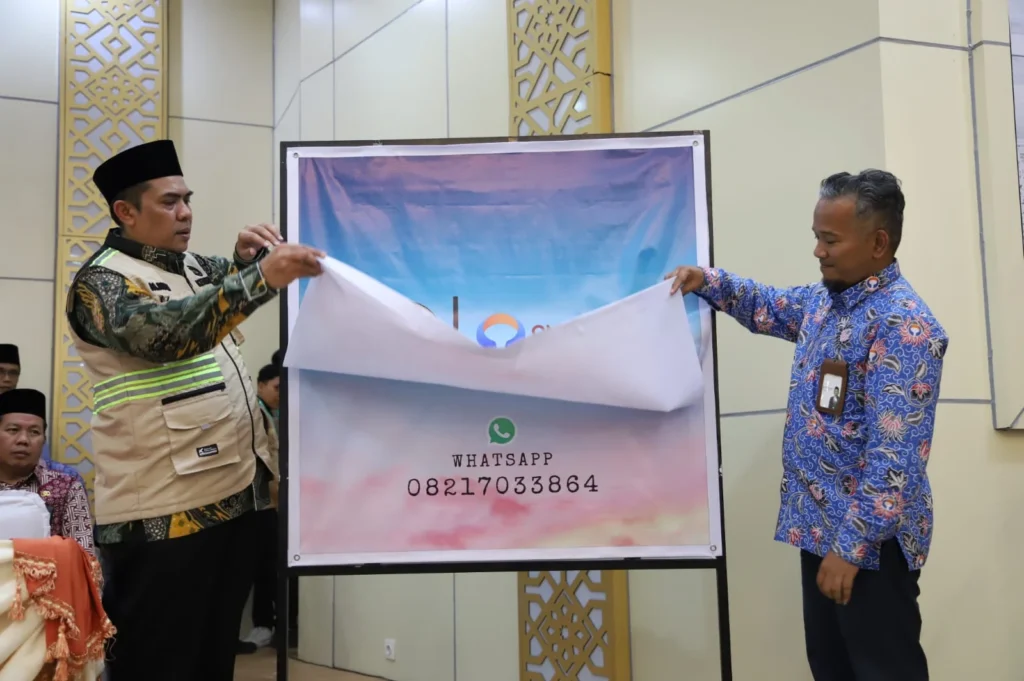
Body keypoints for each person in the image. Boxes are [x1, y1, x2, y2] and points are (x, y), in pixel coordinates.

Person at [668, 169, 946, 681]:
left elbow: (895, 460)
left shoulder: (904, 328)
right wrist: (707, 281)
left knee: (884, 670)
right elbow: (767, 306)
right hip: (820, 533)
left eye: (830, 240)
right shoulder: (825, 302)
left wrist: (852, 548)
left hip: (869, 548)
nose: (818, 251)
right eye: (817, 237)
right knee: (831, 669)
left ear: (878, 243)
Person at [64, 139, 324, 680]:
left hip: (232, 498)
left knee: (210, 661)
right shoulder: (101, 282)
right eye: (169, 202)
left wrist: (245, 261)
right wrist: (260, 276)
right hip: (162, 515)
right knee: (157, 663)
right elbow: (171, 333)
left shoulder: (191, 267)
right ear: (125, 211)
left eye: (187, 200)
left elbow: (221, 290)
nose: (185, 213)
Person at [0, 389, 95, 554]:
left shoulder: (66, 487)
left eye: (34, 432)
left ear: (44, 440)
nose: (23, 440)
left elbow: (83, 557)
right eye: (13, 430)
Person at [238, 363, 281, 653]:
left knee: (268, 566)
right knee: (255, 569)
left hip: (269, 503)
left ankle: (266, 624)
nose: (280, 394)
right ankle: (260, 624)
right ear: (261, 385)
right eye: (276, 387)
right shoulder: (254, 412)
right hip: (257, 505)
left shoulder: (272, 413)